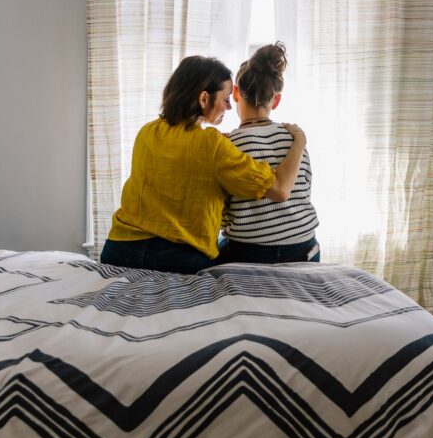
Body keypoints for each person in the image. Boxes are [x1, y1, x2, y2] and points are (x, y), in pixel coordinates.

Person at [100, 55, 306, 274]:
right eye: (226, 98)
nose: (229, 106)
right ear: (204, 99)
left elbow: (178, 170)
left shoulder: (147, 131)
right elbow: (280, 189)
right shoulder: (212, 144)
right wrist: (300, 141)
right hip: (176, 259)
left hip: (118, 252)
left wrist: (218, 148)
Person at [218, 43, 320, 264]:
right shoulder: (296, 139)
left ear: (235, 93)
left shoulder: (228, 144)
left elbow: (222, 210)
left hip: (251, 252)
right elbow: (304, 192)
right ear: (276, 99)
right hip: (304, 249)